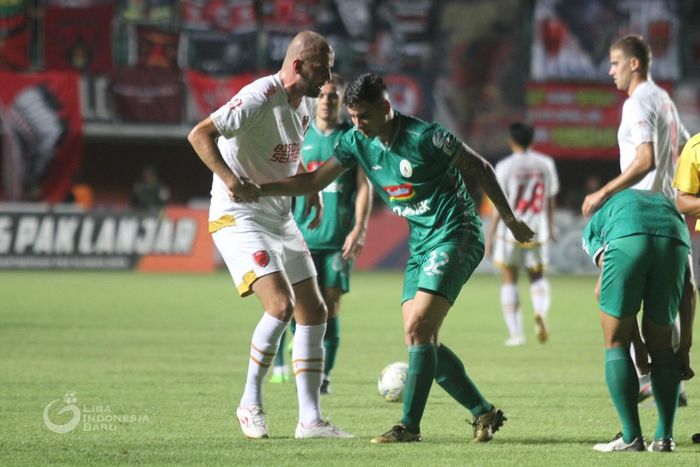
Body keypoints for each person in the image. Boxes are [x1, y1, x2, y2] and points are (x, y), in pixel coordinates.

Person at [240, 73, 534, 443]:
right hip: (420, 242)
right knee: (422, 339)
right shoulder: (354, 141)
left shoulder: (426, 137)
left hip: (456, 232)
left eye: (363, 116)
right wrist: (259, 190)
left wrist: (510, 221)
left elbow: (481, 168)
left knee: (418, 330)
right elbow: (314, 181)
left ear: (385, 107)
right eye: (353, 116)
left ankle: (409, 427)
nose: (357, 124)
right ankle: (483, 412)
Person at [186, 31, 353, 440]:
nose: (328, 77)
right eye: (322, 68)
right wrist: (229, 179)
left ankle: (310, 421)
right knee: (280, 306)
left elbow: (286, 152)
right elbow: (199, 134)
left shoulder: (308, 101)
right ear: (298, 66)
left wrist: (307, 187)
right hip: (240, 215)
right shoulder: (259, 96)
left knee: (314, 311)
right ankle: (249, 403)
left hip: (280, 216)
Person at [581, 34, 692, 405]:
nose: (609, 70)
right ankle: (669, 379)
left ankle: (647, 372)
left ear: (634, 63)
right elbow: (688, 149)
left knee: (607, 294)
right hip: (671, 218)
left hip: (638, 214)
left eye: (614, 63)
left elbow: (646, 159)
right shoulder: (665, 101)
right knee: (677, 298)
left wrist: (604, 192)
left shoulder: (638, 102)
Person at [269, 75, 373, 394]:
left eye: (334, 96)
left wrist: (359, 227)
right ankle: (281, 364)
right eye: (324, 95)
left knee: (329, 307)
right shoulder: (301, 135)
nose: (327, 100)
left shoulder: (352, 138)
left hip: (336, 240)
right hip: (299, 236)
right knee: (288, 302)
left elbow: (363, 186)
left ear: (342, 101)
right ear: (316, 100)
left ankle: (324, 375)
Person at [582, 189, 692, 452]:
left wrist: (636, 346)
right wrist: (685, 346)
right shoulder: (666, 208)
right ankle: (665, 438)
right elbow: (689, 289)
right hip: (674, 239)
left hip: (626, 240)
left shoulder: (596, 225)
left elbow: (605, 293)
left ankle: (631, 437)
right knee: (663, 345)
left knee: (615, 342)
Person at [485, 122, 559, 346]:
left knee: (509, 280)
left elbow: (499, 201)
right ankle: (539, 312)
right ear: (532, 140)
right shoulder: (545, 163)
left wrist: (490, 234)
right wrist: (551, 225)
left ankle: (516, 334)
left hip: (510, 231)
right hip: (536, 229)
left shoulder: (505, 166)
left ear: (511, 140)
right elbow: (550, 197)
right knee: (537, 277)